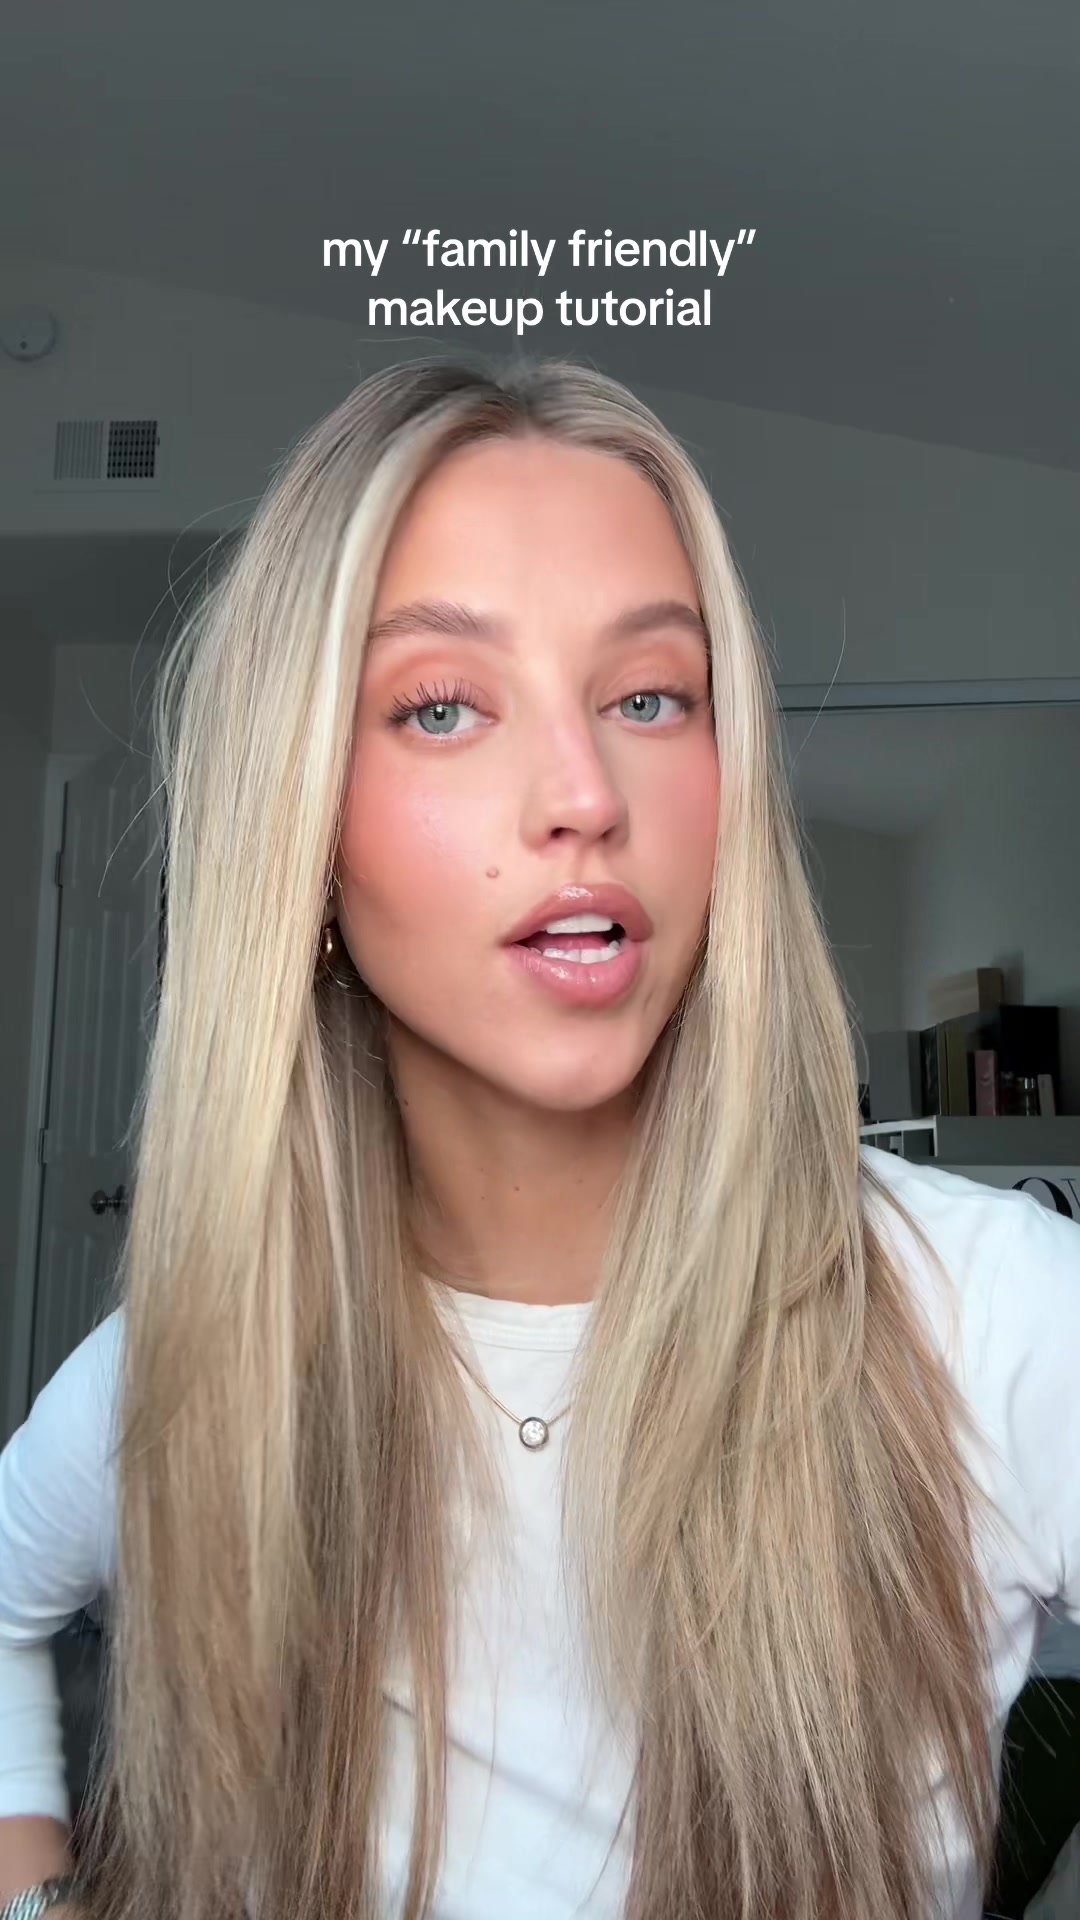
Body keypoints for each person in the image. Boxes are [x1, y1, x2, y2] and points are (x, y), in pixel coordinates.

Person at [0, 356, 1078, 1920]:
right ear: (303, 829)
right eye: (441, 707)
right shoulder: (206, 1354)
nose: (584, 794)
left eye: (650, 697)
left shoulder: (998, 1313)